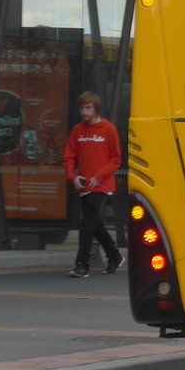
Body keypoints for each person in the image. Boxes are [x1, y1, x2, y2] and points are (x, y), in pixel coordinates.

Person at [63, 91, 122, 278]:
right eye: (81, 108)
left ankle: (82, 264)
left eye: (87, 108)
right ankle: (114, 255)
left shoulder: (108, 129)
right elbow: (69, 156)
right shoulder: (77, 130)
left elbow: (116, 158)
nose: (83, 112)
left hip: (102, 185)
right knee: (94, 223)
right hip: (83, 185)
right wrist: (73, 176)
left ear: (96, 109)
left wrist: (100, 175)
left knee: (86, 224)